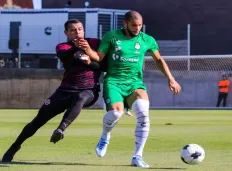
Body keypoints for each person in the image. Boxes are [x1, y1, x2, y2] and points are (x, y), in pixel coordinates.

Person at [77, 11, 181, 168]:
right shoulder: (112, 36)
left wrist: (171, 79)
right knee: (115, 113)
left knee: (143, 114)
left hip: (135, 83)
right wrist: (86, 49)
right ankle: (105, 135)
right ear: (125, 23)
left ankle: (137, 156)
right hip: (114, 81)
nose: (137, 28)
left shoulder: (147, 40)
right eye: (134, 25)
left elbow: (159, 60)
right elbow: (98, 57)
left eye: (140, 25)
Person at [1, 19, 102, 162]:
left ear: (83, 30)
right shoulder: (63, 46)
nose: (77, 32)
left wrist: (90, 60)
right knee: (37, 121)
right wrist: (77, 47)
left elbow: (103, 66)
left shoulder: (95, 43)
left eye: (79, 29)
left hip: (89, 90)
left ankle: (60, 129)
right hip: (65, 90)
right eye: (72, 30)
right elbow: (65, 57)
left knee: (80, 97)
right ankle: (14, 147)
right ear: (66, 33)